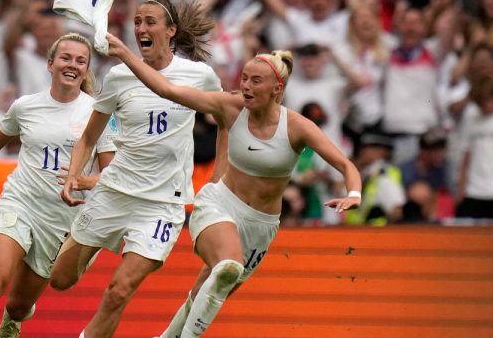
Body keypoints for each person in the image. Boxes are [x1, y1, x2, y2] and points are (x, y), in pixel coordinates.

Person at [103, 38, 362, 337]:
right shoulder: (229, 107)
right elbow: (167, 89)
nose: (246, 87)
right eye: (244, 79)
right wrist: (125, 53)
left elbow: (346, 166)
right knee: (227, 266)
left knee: (206, 290)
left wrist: (354, 194)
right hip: (220, 204)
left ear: (277, 88)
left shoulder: (296, 126)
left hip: (261, 226)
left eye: (256, 81)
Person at [48, 0, 223, 338]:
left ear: (170, 31)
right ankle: (96, 242)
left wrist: (220, 178)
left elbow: (228, 119)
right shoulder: (117, 77)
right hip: (113, 192)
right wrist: (72, 176)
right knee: (60, 279)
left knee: (118, 291)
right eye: (137, 22)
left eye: (150, 22)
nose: (141, 28)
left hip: (161, 205)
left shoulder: (199, 76)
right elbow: (89, 136)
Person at [0, 33, 117, 338]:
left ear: (86, 69)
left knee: (18, 306)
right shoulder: (26, 106)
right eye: (66, 58)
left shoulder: (97, 113)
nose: (72, 65)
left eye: (80, 60)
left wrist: (85, 180)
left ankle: (12, 322)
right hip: (20, 202)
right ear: (50, 64)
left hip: (61, 221)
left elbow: (112, 172)